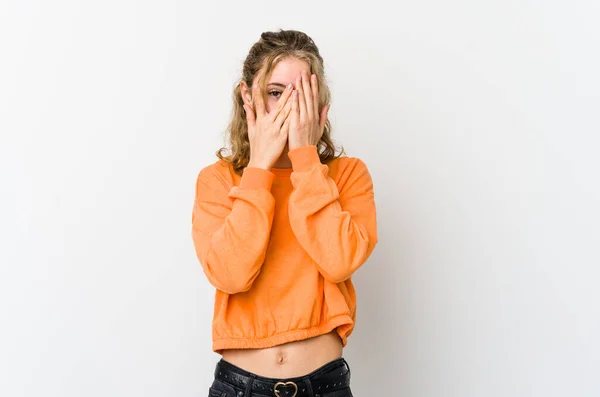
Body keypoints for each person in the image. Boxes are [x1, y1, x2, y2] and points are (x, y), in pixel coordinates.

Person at [191, 29, 378, 397]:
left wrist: (306, 160)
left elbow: (339, 262)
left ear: (321, 106)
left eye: (303, 94)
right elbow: (230, 275)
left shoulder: (347, 175)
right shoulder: (218, 181)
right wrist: (259, 167)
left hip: (324, 386)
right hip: (239, 387)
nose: (291, 108)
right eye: (276, 93)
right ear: (248, 97)